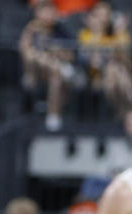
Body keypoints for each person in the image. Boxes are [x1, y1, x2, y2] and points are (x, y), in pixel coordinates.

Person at [20, 0, 78, 131]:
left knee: (56, 78)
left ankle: (53, 115)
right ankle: (58, 68)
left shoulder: (61, 30)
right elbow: (25, 53)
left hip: (54, 74)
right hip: (33, 72)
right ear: (36, 14)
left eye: (50, 11)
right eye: (44, 11)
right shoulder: (31, 29)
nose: (48, 15)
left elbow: (71, 55)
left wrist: (54, 48)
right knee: (37, 56)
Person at [78, 3, 132, 116]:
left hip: (117, 75)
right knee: (114, 70)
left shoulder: (118, 34)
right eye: (98, 15)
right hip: (94, 77)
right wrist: (97, 33)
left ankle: (124, 112)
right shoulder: (85, 34)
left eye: (105, 15)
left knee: (115, 71)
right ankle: (130, 109)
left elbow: (126, 59)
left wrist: (119, 32)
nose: (102, 19)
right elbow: (89, 61)